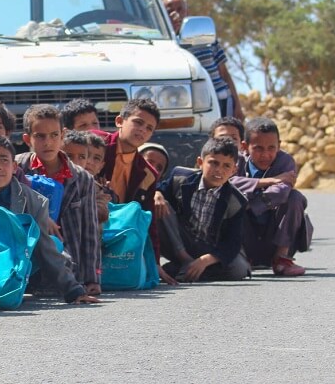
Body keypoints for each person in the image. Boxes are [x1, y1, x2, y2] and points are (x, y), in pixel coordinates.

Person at [0, 134, 99, 304]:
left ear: (14, 166)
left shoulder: (34, 201)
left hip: (15, 262)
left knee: (53, 244)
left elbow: (45, 248)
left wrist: (73, 290)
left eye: (4, 160)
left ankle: (27, 285)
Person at [15, 106, 101, 295]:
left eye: (54, 135)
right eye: (40, 136)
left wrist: (92, 278)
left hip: (69, 264)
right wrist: (40, 217)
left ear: (63, 135)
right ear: (27, 139)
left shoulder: (82, 178)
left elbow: (90, 229)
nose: (48, 142)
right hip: (28, 262)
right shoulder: (16, 168)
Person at [99, 98, 175, 284]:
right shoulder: (97, 144)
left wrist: (154, 263)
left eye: (149, 128)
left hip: (118, 231)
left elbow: (148, 218)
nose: (142, 130)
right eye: (138, 122)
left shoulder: (148, 173)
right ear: (119, 121)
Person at [157, 137, 251, 282]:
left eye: (226, 166)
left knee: (240, 269)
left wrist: (205, 260)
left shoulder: (236, 201)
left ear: (234, 170)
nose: (219, 170)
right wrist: (157, 194)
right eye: (214, 163)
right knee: (160, 205)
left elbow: (233, 241)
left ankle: (179, 270)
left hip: (208, 248)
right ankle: (185, 261)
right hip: (177, 242)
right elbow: (159, 189)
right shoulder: (180, 178)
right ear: (200, 162)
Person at [229, 118, 310, 276]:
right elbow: (228, 183)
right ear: (244, 147)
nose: (265, 154)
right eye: (258, 148)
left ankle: (281, 259)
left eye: (271, 148)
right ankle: (241, 257)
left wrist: (251, 205)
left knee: (295, 197)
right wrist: (269, 181)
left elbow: (282, 191)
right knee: (232, 199)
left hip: (274, 237)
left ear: (279, 145)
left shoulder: (285, 161)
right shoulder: (236, 161)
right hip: (245, 239)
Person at [163, 0, 244, 121]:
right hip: (189, 105)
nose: (175, 14)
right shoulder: (163, 43)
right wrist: (172, 31)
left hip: (221, 99)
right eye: (169, 11)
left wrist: (237, 105)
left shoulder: (205, 37)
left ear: (187, 12)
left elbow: (224, 73)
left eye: (180, 9)